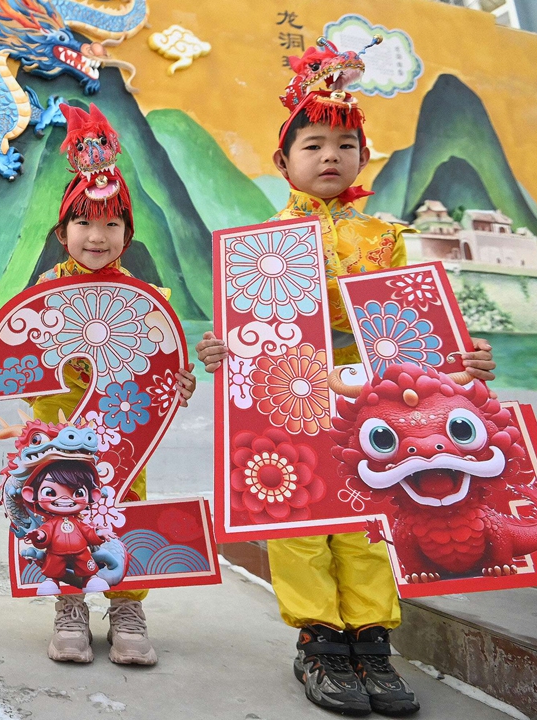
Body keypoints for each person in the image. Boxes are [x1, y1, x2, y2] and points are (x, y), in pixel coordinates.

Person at [195, 39, 497, 717]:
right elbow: (247, 336)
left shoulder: (384, 238)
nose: (328, 155)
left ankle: (371, 641)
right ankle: (320, 641)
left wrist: (462, 365)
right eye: (312, 144)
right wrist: (222, 352)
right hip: (289, 400)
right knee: (301, 520)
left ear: (362, 158)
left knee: (368, 520)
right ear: (283, 162)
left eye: (343, 143)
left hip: (371, 402)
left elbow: (416, 331)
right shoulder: (259, 247)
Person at [0, 103, 196, 666]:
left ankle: (127, 605)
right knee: (61, 508)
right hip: (57, 430)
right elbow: (21, 361)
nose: (97, 236)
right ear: (61, 229)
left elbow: (161, 371)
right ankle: (69, 602)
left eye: (111, 224)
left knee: (125, 505)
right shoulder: (41, 292)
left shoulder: (150, 301)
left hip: (123, 427)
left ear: (128, 233)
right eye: (84, 223)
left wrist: (178, 384)